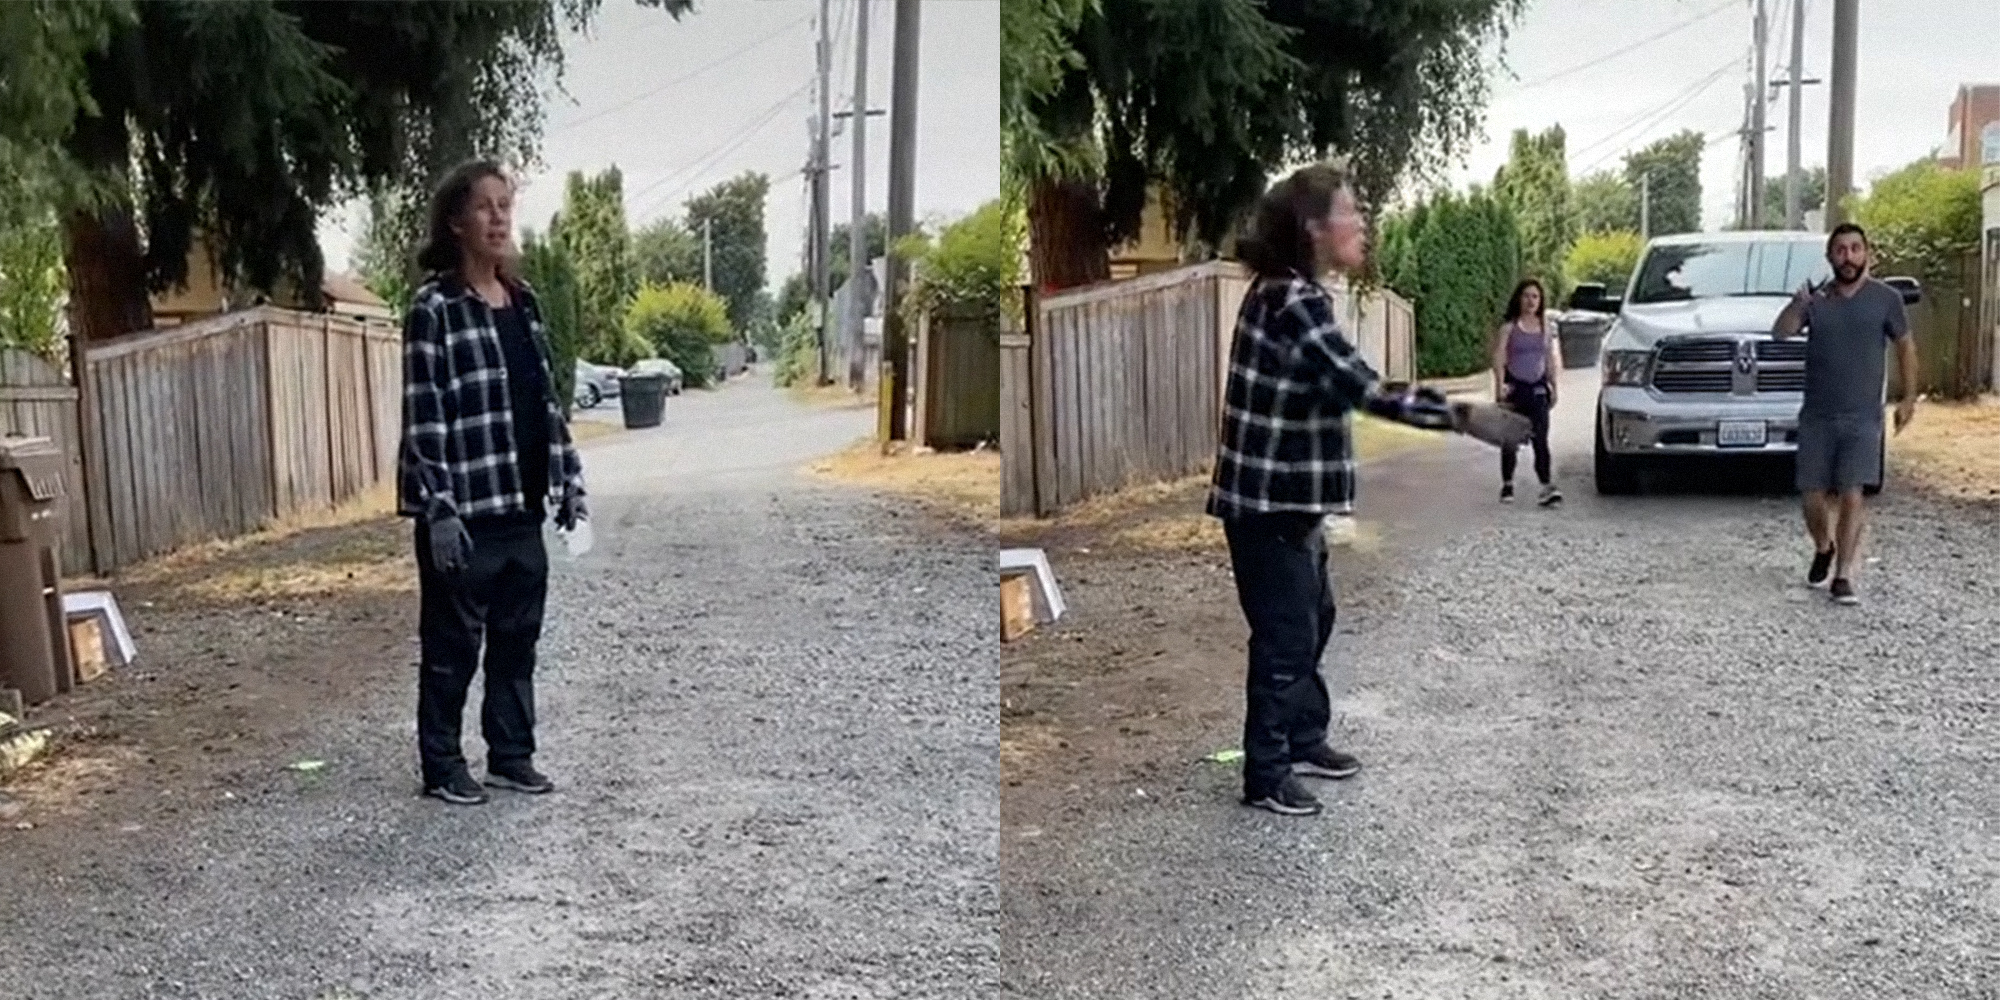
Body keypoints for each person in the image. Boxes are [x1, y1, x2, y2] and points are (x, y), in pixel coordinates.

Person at [1208, 161, 1527, 817]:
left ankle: (1303, 738)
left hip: (1290, 502)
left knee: (1312, 619)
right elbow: (1363, 389)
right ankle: (1265, 774)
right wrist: (1463, 415)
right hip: (1268, 505)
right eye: (1351, 212)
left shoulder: (1291, 292)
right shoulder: (1292, 301)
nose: (1363, 224)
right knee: (1285, 639)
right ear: (1314, 227)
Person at [398, 160, 588, 805]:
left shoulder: (524, 301)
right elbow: (425, 414)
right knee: (452, 649)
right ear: (456, 222)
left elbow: (546, 401)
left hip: (519, 505)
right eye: (485, 206)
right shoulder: (435, 309)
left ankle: (510, 754)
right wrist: (439, 509)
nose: (500, 217)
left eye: (506, 205)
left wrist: (569, 480)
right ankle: (444, 765)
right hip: (463, 514)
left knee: (516, 642)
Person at [1771, 222, 1917, 606]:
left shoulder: (1885, 299)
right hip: (1818, 414)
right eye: (1840, 250)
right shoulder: (1817, 301)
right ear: (1829, 256)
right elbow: (1781, 333)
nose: (1848, 257)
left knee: (1853, 492)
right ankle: (1823, 545)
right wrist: (1796, 305)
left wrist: (1908, 398)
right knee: (1812, 494)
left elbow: (1905, 346)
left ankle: (1843, 576)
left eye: (1855, 249)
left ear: (1867, 253)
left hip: (1863, 415)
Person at [1490, 278, 1564, 506]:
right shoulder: (1509, 328)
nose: (1531, 301)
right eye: (1526, 296)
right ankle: (1507, 484)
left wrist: (1554, 386)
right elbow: (1499, 357)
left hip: (1538, 387)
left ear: (1540, 301)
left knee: (1541, 439)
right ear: (1519, 299)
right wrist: (1500, 386)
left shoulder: (1545, 327)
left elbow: (1549, 358)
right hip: (1515, 388)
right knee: (1510, 439)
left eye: (1535, 297)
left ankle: (1546, 486)